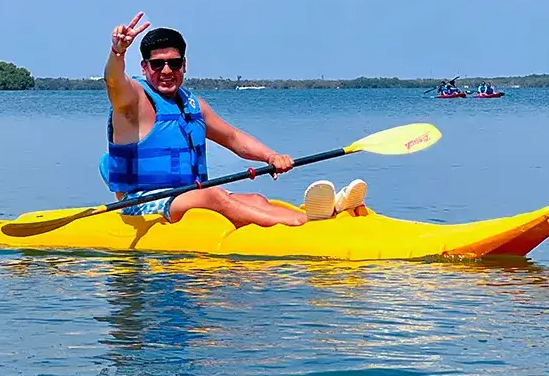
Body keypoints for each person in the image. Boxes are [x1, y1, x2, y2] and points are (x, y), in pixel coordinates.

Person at [99, 12, 367, 227]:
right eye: (157, 64)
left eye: (174, 63)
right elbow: (113, 80)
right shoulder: (132, 101)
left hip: (187, 195)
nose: (166, 71)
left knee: (256, 198)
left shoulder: (192, 104)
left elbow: (233, 138)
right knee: (214, 196)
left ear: (184, 65)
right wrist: (118, 52)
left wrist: (271, 157)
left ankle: (328, 212)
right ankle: (305, 223)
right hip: (140, 202)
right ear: (144, 67)